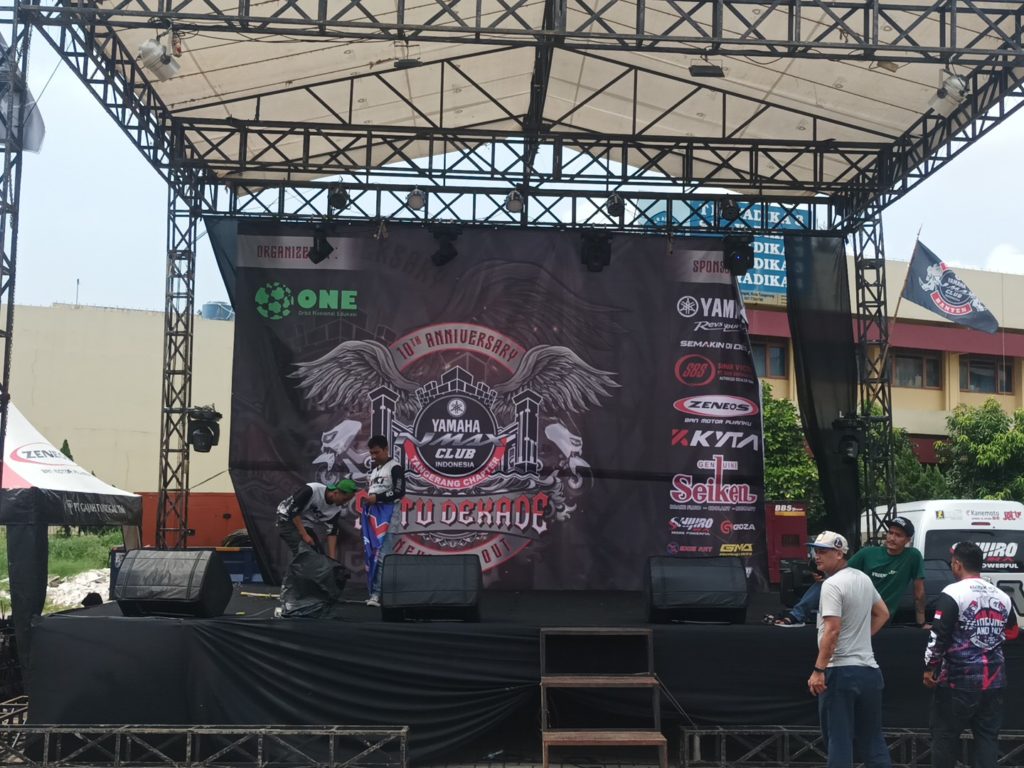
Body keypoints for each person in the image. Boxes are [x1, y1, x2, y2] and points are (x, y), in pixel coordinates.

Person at [923, 541, 1019, 768]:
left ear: (957, 564)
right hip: (994, 681)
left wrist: (929, 667)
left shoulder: (953, 592)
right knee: (987, 739)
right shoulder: (1002, 595)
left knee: (945, 738)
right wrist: (989, 636)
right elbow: (1013, 632)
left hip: (957, 681)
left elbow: (939, 635)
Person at [806, 531, 891, 768]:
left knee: (839, 740)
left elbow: (832, 630)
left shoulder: (831, 584)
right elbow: (883, 613)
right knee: (873, 739)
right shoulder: (863, 578)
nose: (816, 556)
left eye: (823, 551)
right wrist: (862, 636)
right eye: (815, 551)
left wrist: (818, 670)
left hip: (840, 671)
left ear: (839, 553)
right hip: (869, 671)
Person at [769, 516, 926, 628]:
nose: (892, 538)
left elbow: (919, 593)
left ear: (908, 540)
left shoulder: (913, 556)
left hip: (878, 616)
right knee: (828, 584)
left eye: (898, 535)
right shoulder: (868, 553)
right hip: (854, 609)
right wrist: (824, 576)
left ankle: (797, 615)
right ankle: (796, 615)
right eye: (890, 533)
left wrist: (922, 623)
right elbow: (841, 572)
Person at [362, 435, 406, 607]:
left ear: (386, 449)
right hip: (374, 516)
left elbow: (399, 491)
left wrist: (377, 498)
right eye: (371, 453)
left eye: (377, 452)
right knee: (372, 554)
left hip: (389, 516)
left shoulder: (395, 467)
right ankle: (373, 592)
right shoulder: (374, 471)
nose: (374, 456)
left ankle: (377, 594)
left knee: (383, 556)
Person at [275, 479, 357, 557]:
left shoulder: (336, 509)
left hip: (305, 524)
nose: (345, 503)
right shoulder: (312, 489)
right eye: (344, 499)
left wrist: (332, 558)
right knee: (305, 554)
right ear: (336, 493)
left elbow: (332, 532)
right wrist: (305, 535)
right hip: (286, 519)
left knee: (319, 556)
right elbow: (294, 511)